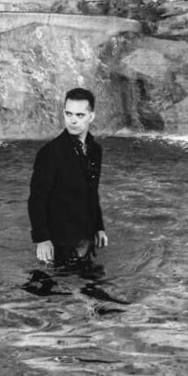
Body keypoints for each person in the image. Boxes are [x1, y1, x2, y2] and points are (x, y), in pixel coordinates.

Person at [28, 88, 108, 267]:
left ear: (91, 116)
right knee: (57, 291)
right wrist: (42, 239)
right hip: (59, 239)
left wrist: (99, 227)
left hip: (85, 237)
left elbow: (92, 192)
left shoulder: (96, 150)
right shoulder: (50, 153)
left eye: (80, 115)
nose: (73, 120)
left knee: (92, 287)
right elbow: (36, 199)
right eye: (68, 113)